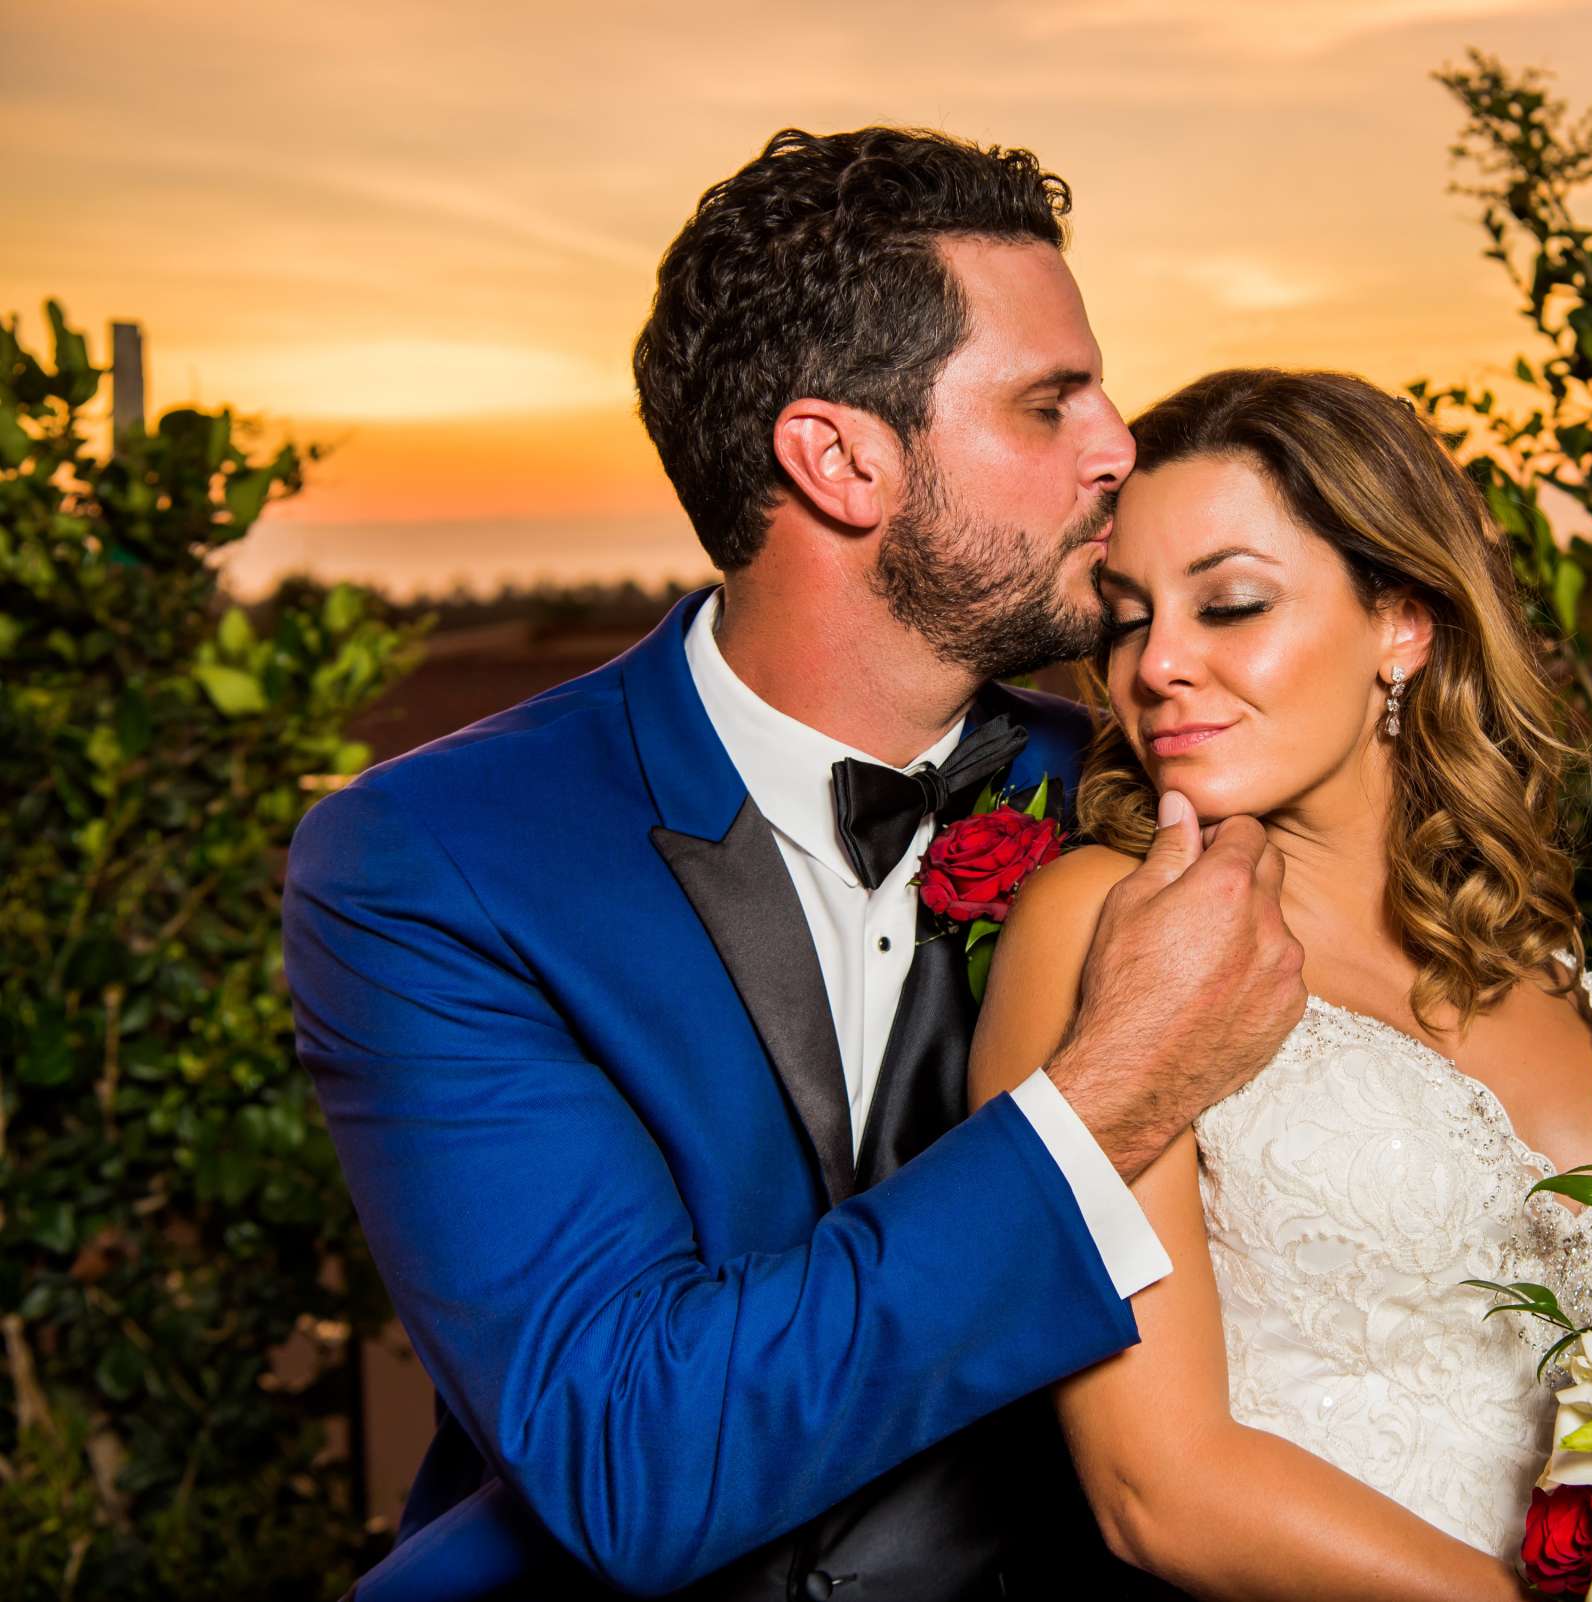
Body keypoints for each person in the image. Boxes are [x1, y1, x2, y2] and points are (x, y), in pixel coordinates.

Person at [281, 130, 1305, 1601]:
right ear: (839, 459)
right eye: (1048, 402)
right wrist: (1115, 1085)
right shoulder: (436, 861)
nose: (1118, 448)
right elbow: (634, 1449)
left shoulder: (1134, 798)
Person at [969, 368, 1592, 1599]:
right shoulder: (1093, 923)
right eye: (1125, 616)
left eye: (1230, 604)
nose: (1157, 664)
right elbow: (1159, 1487)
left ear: (1404, 620)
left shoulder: (1516, 925)